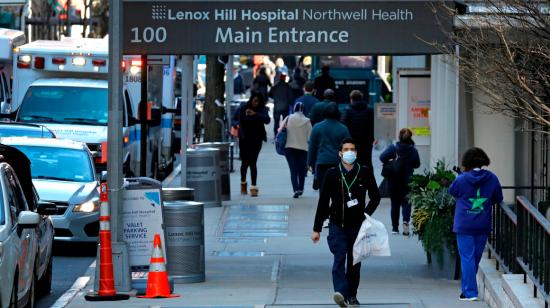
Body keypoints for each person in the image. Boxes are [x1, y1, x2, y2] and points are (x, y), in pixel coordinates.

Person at [311, 138, 381, 307]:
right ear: (340, 153)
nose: (349, 152)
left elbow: (375, 197)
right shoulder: (332, 174)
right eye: (346, 149)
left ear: (356, 153)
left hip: (358, 226)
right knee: (339, 258)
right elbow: (323, 202)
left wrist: (365, 214)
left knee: (354, 263)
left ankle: (352, 295)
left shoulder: (364, 172)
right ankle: (340, 293)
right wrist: (317, 228)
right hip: (337, 225)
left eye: (352, 149)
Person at [449, 147, 502, 301]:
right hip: (482, 223)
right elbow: (498, 197)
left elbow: (452, 192)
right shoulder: (492, 178)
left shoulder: (461, 179)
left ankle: (470, 292)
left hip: (464, 224)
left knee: (467, 257)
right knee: (475, 257)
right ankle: (466, 291)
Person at [379, 128, 421, 235]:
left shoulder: (393, 148)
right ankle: (405, 222)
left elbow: (382, 157)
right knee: (407, 203)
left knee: (394, 204)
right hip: (407, 181)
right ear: (410, 137)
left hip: (393, 180)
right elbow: (417, 164)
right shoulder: (413, 150)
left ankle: (395, 228)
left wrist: (391, 160)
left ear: (399, 137)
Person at [232, 92, 271, 197]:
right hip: (244, 139)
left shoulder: (262, 109)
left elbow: (267, 120)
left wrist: (256, 114)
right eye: (254, 100)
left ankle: (254, 187)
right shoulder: (243, 108)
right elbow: (235, 119)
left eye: (258, 101)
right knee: (245, 163)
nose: (256, 103)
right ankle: (243, 183)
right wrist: (236, 125)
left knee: (253, 162)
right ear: (251, 100)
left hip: (257, 139)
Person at [308, 103, 350, 193]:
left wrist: (309, 162)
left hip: (322, 162)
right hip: (337, 162)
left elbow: (312, 146)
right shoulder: (343, 129)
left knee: (323, 189)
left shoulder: (317, 127)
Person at [281, 102, 312, 198]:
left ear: (294, 108)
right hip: (303, 149)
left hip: (289, 147)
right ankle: (301, 188)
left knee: (293, 170)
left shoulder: (288, 118)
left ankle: (295, 189)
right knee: (301, 170)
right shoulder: (307, 121)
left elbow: (280, 130)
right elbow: (310, 137)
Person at [342, 90, 375, 169]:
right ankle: (368, 179)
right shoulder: (370, 111)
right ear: (361, 98)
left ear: (351, 99)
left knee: (352, 163)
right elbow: (373, 126)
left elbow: (344, 126)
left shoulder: (348, 111)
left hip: (352, 142)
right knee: (367, 162)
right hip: (367, 142)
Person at [269, 73, 294, 137]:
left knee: (276, 122)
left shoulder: (276, 86)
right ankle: (284, 135)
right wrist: (290, 104)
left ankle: (276, 135)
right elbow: (291, 97)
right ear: (285, 79)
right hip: (285, 107)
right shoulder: (287, 86)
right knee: (285, 122)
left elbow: (270, 94)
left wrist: (275, 98)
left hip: (277, 106)